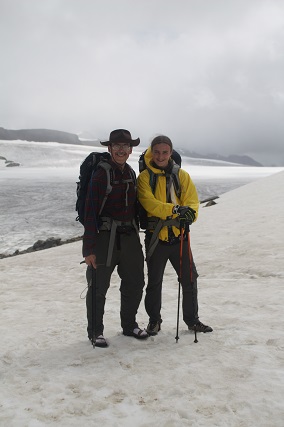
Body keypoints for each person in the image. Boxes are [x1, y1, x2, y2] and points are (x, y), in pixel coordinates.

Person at [137, 135, 213, 336]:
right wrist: (178, 211)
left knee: (189, 279)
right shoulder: (144, 178)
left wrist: (191, 215)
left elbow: (193, 202)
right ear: (151, 152)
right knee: (154, 282)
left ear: (171, 153)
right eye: (157, 152)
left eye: (165, 152)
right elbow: (149, 204)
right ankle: (154, 321)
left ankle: (192, 320)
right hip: (156, 238)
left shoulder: (182, 176)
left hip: (180, 236)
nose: (160, 156)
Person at [83, 129, 148, 347]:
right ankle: (95, 332)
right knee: (98, 286)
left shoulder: (130, 172)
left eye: (125, 146)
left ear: (130, 149)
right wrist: (89, 249)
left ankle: (129, 325)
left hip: (129, 236)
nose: (121, 150)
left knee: (135, 281)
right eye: (116, 146)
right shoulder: (102, 174)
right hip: (105, 238)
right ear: (110, 148)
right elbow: (90, 211)